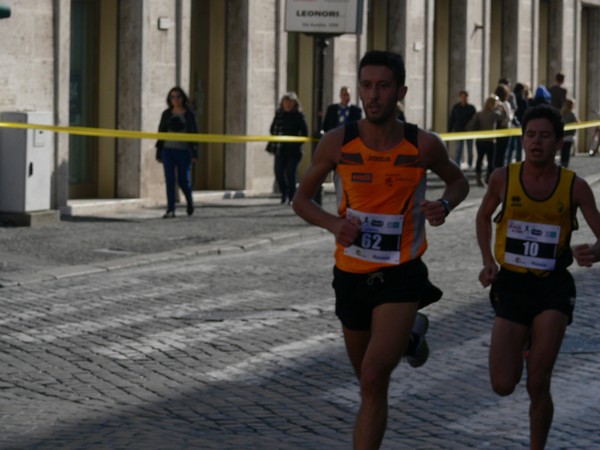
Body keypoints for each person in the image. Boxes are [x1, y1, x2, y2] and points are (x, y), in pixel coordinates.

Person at [293, 50, 469, 449]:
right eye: (367, 86)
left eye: (383, 86)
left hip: (400, 274)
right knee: (369, 387)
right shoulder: (338, 142)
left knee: (373, 376)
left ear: (400, 91)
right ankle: (409, 338)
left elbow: (458, 183)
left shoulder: (423, 145)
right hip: (350, 276)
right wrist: (334, 224)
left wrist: (443, 205)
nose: (373, 95)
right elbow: (301, 200)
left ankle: (404, 332)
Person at [476, 104, 600, 450]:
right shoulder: (504, 177)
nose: (536, 142)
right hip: (511, 286)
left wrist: (595, 251)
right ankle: (526, 339)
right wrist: (488, 261)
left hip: (552, 288)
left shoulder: (575, 186)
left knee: (538, 383)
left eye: (545, 136)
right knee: (503, 383)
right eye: (530, 135)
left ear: (559, 142)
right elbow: (483, 217)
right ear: (522, 139)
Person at [155, 86, 198, 218]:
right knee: (169, 179)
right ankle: (170, 209)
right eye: (172, 97)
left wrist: (195, 152)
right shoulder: (166, 114)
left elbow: (195, 134)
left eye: (178, 96)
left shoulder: (189, 115)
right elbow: (161, 132)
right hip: (168, 151)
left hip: (183, 151)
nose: (175, 100)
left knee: (183, 180)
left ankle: (189, 201)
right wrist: (159, 152)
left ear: (183, 98)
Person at [268, 92, 309, 204]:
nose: (288, 105)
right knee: (278, 173)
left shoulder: (299, 115)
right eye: (286, 102)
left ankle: (292, 196)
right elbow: (272, 129)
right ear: (282, 103)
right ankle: (284, 193)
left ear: (295, 104)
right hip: (279, 149)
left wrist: (296, 143)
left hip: (294, 151)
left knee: (291, 173)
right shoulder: (279, 114)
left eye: (290, 102)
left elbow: (305, 133)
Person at [467, 95, 503, 186]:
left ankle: (478, 177)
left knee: (479, 159)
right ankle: (489, 179)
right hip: (491, 140)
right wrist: (501, 107)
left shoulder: (479, 113)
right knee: (490, 161)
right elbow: (503, 117)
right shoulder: (494, 114)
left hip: (480, 140)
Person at [448, 90, 476, 168]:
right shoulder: (456, 108)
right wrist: (449, 131)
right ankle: (457, 166)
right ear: (460, 98)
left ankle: (470, 165)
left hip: (469, 132)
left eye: (465, 97)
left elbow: (475, 120)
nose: (464, 99)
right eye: (462, 97)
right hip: (459, 132)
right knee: (458, 150)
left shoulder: (471, 108)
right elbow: (452, 119)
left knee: (470, 151)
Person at [505, 83, 528, 163]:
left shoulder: (511, 97)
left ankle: (508, 162)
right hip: (519, 124)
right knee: (518, 145)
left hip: (513, 124)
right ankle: (518, 162)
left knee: (511, 146)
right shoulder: (521, 100)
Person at [493, 84, 513, 172]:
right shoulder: (506, 104)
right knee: (502, 153)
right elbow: (509, 117)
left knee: (496, 153)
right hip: (505, 131)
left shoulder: (496, 103)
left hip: (497, 130)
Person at [560, 98, 578, 167]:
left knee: (563, 151)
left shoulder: (562, 113)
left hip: (563, 135)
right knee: (567, 151)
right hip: (570, 136)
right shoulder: (571, 114)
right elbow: (577, 123)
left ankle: (562, 163)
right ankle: (565, 165)